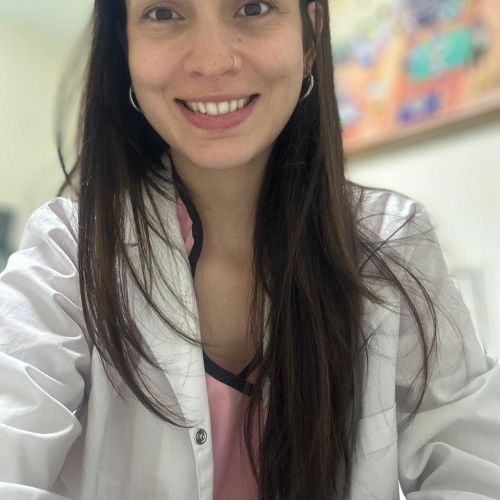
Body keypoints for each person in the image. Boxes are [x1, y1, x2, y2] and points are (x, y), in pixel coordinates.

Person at [1, 0, 499, 498]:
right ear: (123, 45)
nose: (213, 60)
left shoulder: (394, 242)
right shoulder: (68, 252)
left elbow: (477, 467)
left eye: (253, 6)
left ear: (309, 35)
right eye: (163, 13)